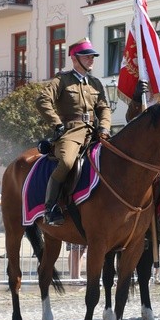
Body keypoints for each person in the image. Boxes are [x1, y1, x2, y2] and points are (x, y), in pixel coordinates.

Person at [36, 38, 111, 226]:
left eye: (92, 56)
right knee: (67, 162)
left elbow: (104, 107)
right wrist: (56, 124)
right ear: (75, 58)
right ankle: (50, 207)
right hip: (71, 133)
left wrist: (104, 127)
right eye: (87, 57)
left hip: (95, 132)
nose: (91, 59)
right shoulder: (62, 80)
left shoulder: (95, 83)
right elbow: (42, 100)